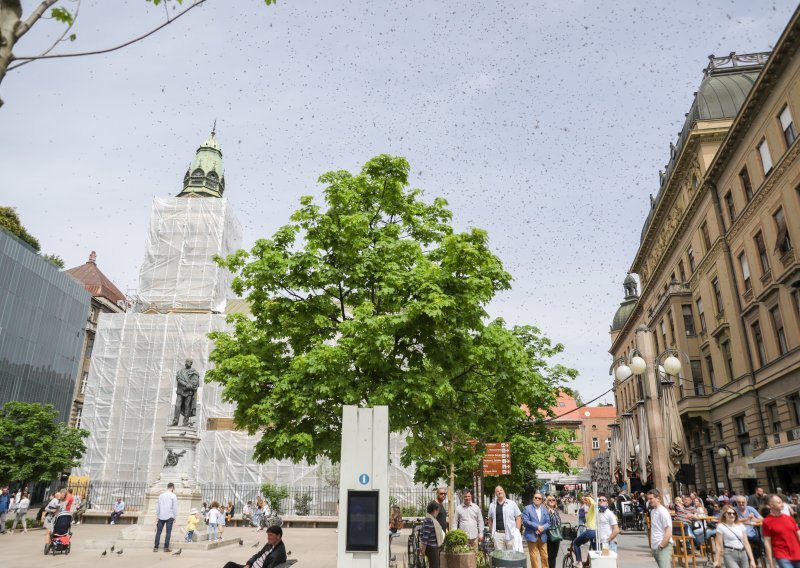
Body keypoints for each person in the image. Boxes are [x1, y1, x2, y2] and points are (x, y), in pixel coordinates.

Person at [762, 494, 800, 568]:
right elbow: (767, 542)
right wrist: (770, 562)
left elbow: (799, 533)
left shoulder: (789, 518)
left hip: (797, 552)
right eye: (779, 502)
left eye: (781, 502)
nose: (782, 504)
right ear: (771, 505)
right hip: (781, 554)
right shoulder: (766, 521)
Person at [488, 485, 523, 552]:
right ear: (495, 493)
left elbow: (518, 517)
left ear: (504, 491)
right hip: (498, 535)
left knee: (512, 555)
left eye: (501, 490)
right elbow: (490, 519)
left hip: (511, 534)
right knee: (500, 557)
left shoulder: (512, 504)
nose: (499, 492)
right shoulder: (492, 505)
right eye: (497, 491)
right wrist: (491, 531)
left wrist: (517, 531)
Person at [523, 491, 550, 568]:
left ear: (542, 500)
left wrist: (542, 528)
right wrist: (537, 526)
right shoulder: (527, 508)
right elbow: (525, 521)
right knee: (534, 558)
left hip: (543, 536)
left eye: (539, 498)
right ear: (533, 498)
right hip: (532, 535)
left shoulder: (545, 509)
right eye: (536, 497)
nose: (537, 499)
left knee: (545, 557)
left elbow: (548, 522)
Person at [171, 358, 200, 427]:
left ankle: (185, 421)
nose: (187, 362)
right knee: (177, 405)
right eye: (186, 361)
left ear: (191, 363)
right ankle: (175, 421)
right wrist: (186, 384)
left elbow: (195, 383)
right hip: (181, 391)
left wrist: (190, 386)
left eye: (189, 362)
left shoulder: (194, 373)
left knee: (187, 406)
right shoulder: (180, 372)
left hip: (189, 392)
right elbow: (178, 379)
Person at [734, 496, 763, 562]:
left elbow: (761, 519)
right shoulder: (734, 510)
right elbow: (734, 521)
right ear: (736, 503)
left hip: (751, 534)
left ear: (746, 502)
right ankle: (751, 560)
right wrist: (747, 519)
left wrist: (753, 520)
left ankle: (751, 560)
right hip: (740, 535)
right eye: (739, 502)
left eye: (743, 502)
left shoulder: (750, 509)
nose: (741, 504)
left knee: (762, 544)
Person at [648, 489, 673, 568]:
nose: (649, 501)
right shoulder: (653, 511)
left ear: (658, 498)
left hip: (663, 546)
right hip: (656, 546)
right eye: (648, 499)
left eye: (651, 499)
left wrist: (661, 546)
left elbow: (668, 532)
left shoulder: (663, 512)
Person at [572, 494, 597, 567]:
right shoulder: (589, 509)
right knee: (595, 549)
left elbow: (593, 503)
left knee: (576, 543)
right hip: (594, 531)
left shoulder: (592, 507)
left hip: (591, 531)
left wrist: (588, 498)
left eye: (587, 501)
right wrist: (586, 524)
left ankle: (579, 562)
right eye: (585, 500)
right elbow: (591, 520)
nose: (585, 502)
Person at [154, 482, 178, 553]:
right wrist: (174, 516)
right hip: (170, 516)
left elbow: (158, 506)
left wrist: (157, 516)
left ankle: (156, 547)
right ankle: (166, 547)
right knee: (168, 532)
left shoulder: (161, 495)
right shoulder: (173, 496)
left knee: (158, 532)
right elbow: (174, 507)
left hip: (161, 515)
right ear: (172, 487)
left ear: (167, 487)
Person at [420, 501, 444, 568]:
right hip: (431, 548)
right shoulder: (429, 520)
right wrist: (423, 551)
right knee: (435, 566)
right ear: (435, 510)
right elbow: (425, 537)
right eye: (438, 510)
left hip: (433, 548)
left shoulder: (431, 519)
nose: (438, 512)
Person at [545, 495, 562, 568]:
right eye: (550, 500)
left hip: (557, 536)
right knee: (550, 556)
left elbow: (558, 523)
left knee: (554, 556)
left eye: (553, 500)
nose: (552, 501)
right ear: (547, 502)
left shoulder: (556, 511)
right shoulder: (545, 511)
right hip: (549, 536)